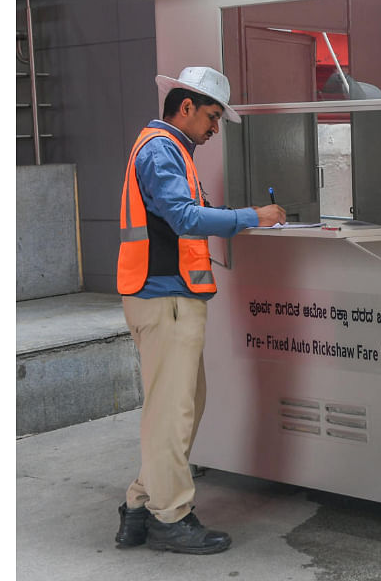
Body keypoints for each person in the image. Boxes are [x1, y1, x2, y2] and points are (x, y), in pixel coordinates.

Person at [113, 66, 285, 555]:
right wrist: (253, 216)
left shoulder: (170, 149)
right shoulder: (160, 150)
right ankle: (171, 517)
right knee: (172, 414)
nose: (214, 130)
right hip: (163, 298)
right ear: (185, 107)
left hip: (168, 297)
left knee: (182, 409)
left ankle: (140, 507)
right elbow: (185, 217)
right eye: (211, 117)